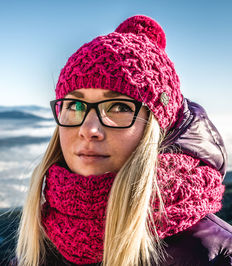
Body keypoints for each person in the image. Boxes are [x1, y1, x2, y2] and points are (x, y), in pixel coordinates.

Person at [12, 15, 232, 266]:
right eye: (75, 104)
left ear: (157, 128)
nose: (89, 129)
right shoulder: (38, 243)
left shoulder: (217, 257)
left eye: (118, 106)